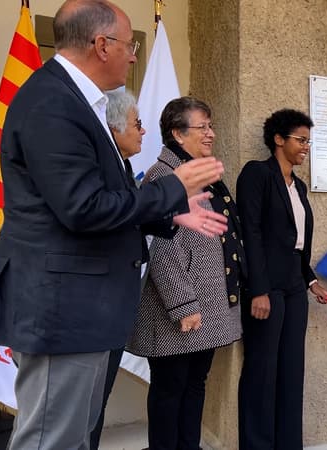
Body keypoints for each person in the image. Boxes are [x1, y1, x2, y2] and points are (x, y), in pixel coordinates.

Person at [0, 1, 228, 448]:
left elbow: (108, 202)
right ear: (101, 45)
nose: (135, 55)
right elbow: (83, 207)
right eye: (129, 45)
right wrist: (173, 188)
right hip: (63, 309)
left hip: (82, 310)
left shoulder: (77, 102)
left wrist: (167, 212)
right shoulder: (52, 103)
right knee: (51, 441)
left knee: (74, 438)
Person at [125, 96, 244, 450]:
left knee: (195, 385)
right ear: (178, 134)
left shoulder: (203, 172)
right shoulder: (164, 177)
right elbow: (161, 247)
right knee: (169, 391)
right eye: (202, 127)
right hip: (177, 313)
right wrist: (183, 304)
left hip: (206, 307)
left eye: (211, 126)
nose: (211, 134)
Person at [236, 108, 327, 449]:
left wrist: (310, 280)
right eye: (300, 139)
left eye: (309, 140)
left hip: (294, 285)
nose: (306, 146)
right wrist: (258, 289)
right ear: (279, 139)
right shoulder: (256, 174)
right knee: (262, 371)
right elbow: (251, 232)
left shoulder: (300, 186)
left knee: (292, 370)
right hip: (266, 287)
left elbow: (296, 241)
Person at [89, 89, 145, 450]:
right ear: (115, 125)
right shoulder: (101, 168)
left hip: (112, 308)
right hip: (94, 307)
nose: (143, 131)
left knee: (95, 407)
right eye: (138, 124)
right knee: (82, 410)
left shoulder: (123, 166)